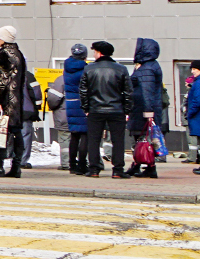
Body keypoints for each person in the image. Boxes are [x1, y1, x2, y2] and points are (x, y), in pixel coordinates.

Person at [0, 26, 32, 178]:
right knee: (16, 132)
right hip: (16, 101)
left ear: (3, 38)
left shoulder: (3, 54)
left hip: (4, 102)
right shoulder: (18, 54)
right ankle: (16, 166)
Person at [79, 40, 131, 178]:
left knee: (94, 140)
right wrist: (126, 110)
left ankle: (94, 169)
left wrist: (86, 108)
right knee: (118, 140)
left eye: (94, 52)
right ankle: (118, 170)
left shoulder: (89, 69)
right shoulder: (121, 69)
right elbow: (128, 92)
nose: (94, 54)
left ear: (99, 53)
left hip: (95, 109)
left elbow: (83, 90)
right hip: (116, 109)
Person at [127, 38, 165, 179]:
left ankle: (148, 167)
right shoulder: (150, 66)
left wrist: (149, 112)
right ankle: (139, 165)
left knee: (143, 139)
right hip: (143, 109)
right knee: (142, 139)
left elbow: (147, 91)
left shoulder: (147, 68)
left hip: (142, 110)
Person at [59, 44, 89, 175]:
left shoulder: (67, 68)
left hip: (70, 104)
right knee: (85, 135)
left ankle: (72, 164)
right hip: (83, 104)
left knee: (74, 136)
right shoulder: (86, 69)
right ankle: (82, 164)